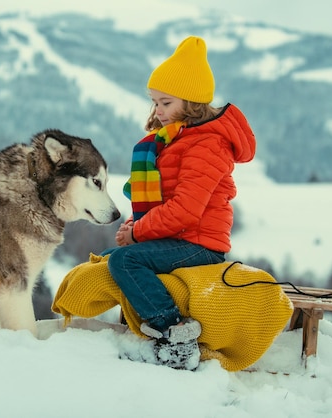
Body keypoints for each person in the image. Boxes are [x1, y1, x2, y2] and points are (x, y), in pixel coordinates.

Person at [102, 35, 256, 369]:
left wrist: (138, 234)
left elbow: (185, 209)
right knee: (110, 258)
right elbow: (160, 202)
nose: (157, 111)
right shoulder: (176, 140)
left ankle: (175, 334)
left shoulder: (206, 145)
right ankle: (133, 332)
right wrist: (134, 226)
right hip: (178, 236)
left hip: (200, 244)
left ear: (192, 102)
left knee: (125, 263)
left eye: (166, 103)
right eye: (155, 102)